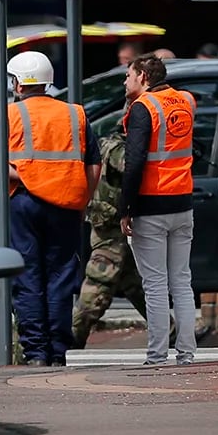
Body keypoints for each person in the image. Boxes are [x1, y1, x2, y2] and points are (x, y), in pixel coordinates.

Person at [0, 50, 99, 367]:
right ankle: (58, 352)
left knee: (28, 276)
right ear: (47, 83)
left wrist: (25, 175)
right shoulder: (76, 114)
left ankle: (35, 353)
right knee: (61, 276)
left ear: (18, 83)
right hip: (65, 204)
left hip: (23, 202)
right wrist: (83, 199)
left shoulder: (9, 115)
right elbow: (94, 165)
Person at [119, 53, 198, 366]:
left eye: (128, 76)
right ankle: (187, 353)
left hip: (152, 205)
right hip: (183, 201)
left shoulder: (143, 108)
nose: (125, 82)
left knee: (154, 284)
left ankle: (157, 354)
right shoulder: (184, 101)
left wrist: (125, 207)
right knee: (181, 280)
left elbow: (135, 161)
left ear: (142, 76)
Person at [72, 126, 149, 347]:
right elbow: (132, 166)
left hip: (106, 223)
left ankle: (170, 329)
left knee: (134, 285)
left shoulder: (106, 142)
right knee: (98, 285)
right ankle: (72, 337)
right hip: (112, 228)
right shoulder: (118, 149)